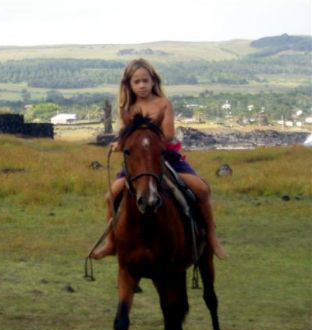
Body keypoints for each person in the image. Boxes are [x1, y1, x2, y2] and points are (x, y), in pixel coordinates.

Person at [92, 58, 227, 260]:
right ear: (129, 84)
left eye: (145, 80)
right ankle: (112, 242)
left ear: (153, 81)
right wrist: (120, 144)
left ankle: (211, 237)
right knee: (110, 196)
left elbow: (168, 135)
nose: (142, 85)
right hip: (138, 161)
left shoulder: (163, 103)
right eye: (136, 82)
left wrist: (149, 144)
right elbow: (127, 135)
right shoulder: (127, 108)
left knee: (201, 189)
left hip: (166, 155)